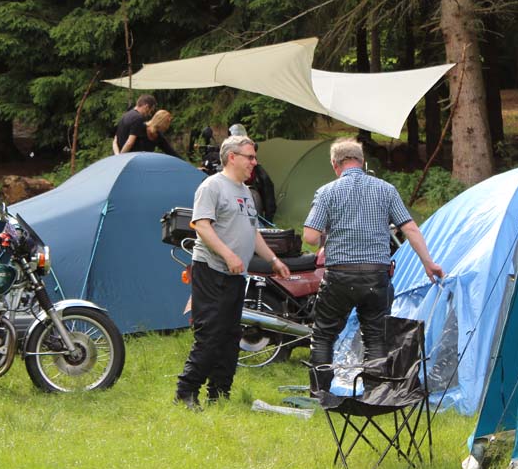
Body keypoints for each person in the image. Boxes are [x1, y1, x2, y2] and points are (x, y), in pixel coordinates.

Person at [301, 138, 444, 394]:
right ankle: (374, 394)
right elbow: (410, 228)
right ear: (362, 161)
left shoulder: (327, 192)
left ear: (335, 164)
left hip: (339, 276)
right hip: (377, 275)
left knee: (323, 335)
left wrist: (332, 231)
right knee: (375, 337)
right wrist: (428, 263)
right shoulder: (386, 190)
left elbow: (310, 237)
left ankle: (320, 392)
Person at [175, 135, 291, 410]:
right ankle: (186, 392)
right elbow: (202, 226)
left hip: (236, 275)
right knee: (211, 333)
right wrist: (228, 255)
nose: (254, 162)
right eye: (250, 157)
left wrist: (274, 260)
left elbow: (253, 232)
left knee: (230, 335)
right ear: (232, 157)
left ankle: (219, 393)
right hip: (211, 270)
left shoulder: (247, 193)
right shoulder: (212, 186)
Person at [228, 124, 277, 221]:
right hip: (232, 172)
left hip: (249, 171)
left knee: (266, 181)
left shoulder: (248, 144)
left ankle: (268, 216)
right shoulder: (227, 146)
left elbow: (253, 150)